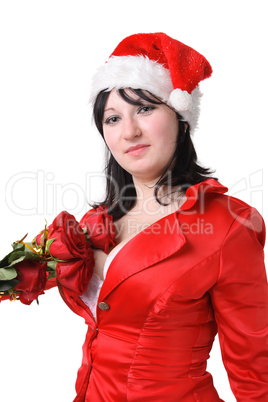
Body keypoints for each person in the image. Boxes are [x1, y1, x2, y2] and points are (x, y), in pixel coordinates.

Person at [1, 32, 268, 401]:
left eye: (144, 108)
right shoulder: (96, 223)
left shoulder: (228, 226)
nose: (130, 132)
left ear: (181, 117)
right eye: (113, 118)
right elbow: (17, 276)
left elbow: (255, 366)